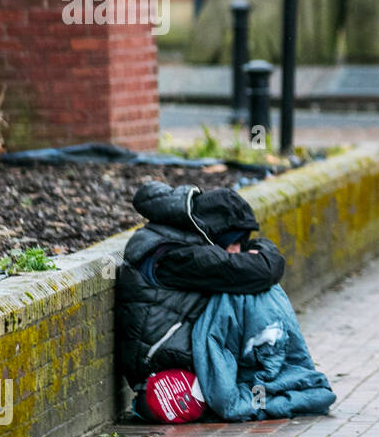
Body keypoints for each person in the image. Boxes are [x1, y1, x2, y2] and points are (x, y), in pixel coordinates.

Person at [115, 181, 335, 422]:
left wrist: (257, 253)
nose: (236, 250)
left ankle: (278, 373)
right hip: (164, 361)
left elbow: (254, 262)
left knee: (249, 285)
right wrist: (258, 255)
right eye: (233, 242)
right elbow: (258, 271)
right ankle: (276, 375)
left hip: (178, 346)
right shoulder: (174, 255)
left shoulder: (177, 237)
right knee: (248, 291)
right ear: (213, 234)